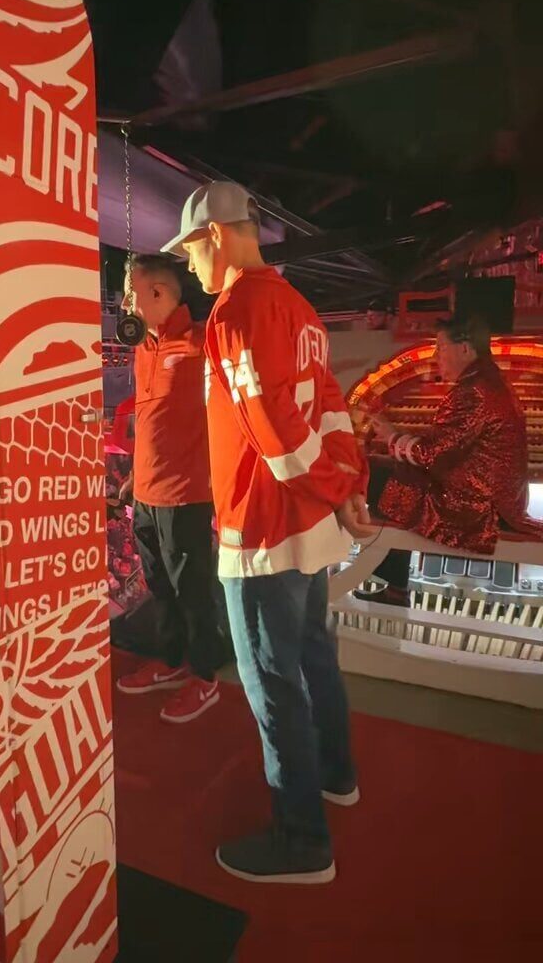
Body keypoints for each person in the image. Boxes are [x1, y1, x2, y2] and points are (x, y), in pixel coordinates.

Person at [161, 181, 372, 884]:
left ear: (216, 235)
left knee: (273, 685)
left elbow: (275, 435)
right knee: (314, 659)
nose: (190, 265)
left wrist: (334, 489)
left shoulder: (236, 310)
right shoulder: (298, 306)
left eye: (192, 250)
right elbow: (332, 409)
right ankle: (337, 776)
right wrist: (345, 488)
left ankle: (302, 841)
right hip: (309, 526)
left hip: (261, 530)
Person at [359, 315, 543, 606]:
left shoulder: (474, 391)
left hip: (479, 507)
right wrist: (397, 442)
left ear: (465, 349)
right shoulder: (487, 381)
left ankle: (361, 565)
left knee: (369, 475)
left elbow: (431, 455)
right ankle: (394, 586)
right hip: (495, 497)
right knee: (390, 473)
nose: (435, 356)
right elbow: (445, 448)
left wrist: (393, 437)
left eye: (441, 347)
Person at [116, 253, 221, 724]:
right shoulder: (143, 347)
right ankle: (172, 661)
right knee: (159, 586)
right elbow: (149, 418)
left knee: (193, 592)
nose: (125, 304)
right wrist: (135, 477)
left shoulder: (203, 343)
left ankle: (206, 677)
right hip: (146, 492)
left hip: (187, 492)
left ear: (158, 293)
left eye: (130, 293)